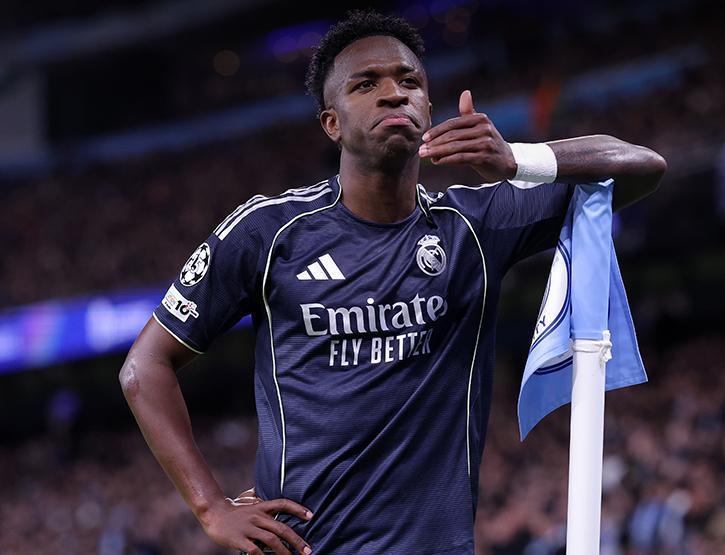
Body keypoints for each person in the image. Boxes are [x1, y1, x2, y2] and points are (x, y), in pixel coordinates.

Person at [119, 8, 666, 554]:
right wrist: (210, 507)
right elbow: (144, 367)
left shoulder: (474, 227)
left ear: (427, 108)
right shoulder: (268, 232)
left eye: (409, 82)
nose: (393, 94)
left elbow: (642, 166)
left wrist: (518, 160)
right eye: (366, 84)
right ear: (331, 123)